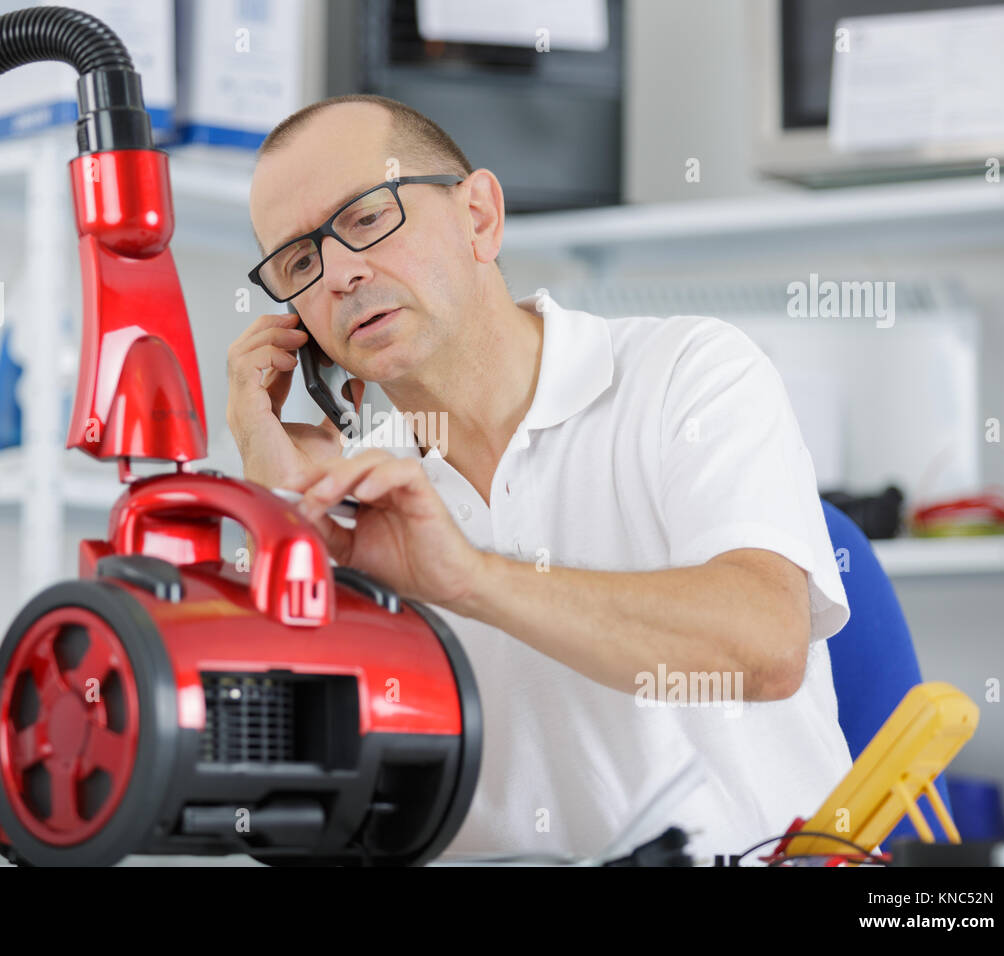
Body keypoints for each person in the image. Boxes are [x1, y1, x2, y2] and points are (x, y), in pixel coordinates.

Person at [225, 93, 853, 862]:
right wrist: (279, 513)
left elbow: (763, 646)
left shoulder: (686, 373)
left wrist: (469, 577)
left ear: (479, 217)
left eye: (366, 219)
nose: (340, 274)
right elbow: (285, 812)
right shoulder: (348, 492)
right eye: (298, 261)